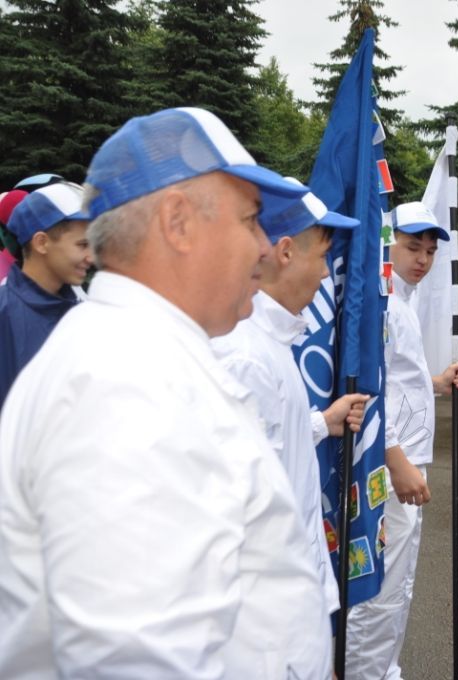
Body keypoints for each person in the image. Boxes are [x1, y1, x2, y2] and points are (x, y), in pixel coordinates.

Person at [0, 107, 333, 678]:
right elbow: (133, 660)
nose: (263, 246)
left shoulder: (142, 358)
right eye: (251, 220)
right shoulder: (125, 385)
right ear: (178, 222)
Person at [212, 183, 370, 640]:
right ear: (284, 252)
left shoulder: (268, 344)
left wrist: (322, 423)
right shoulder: (246, 355)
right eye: (322, 255)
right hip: (272, 623)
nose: (325, 273)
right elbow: (247, 518)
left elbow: (273, 445)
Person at [346, 200, 458, 680]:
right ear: (387, 243)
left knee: (400, 582)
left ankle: (383, 668)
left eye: (430, 250)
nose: (422, 257)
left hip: (405, 460)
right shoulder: (383, 304)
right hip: (388, 464)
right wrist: (396, 462)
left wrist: (434, 383)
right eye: (411, 246)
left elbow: (399, 381)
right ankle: (365, 672)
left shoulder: (403, 304)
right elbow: (369, 387)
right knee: (380, 584)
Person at [0, 182, 91, 409]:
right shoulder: (5, 313)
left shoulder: (84, 309)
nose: (92, 257)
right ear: (41, 243)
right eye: (82, 245)